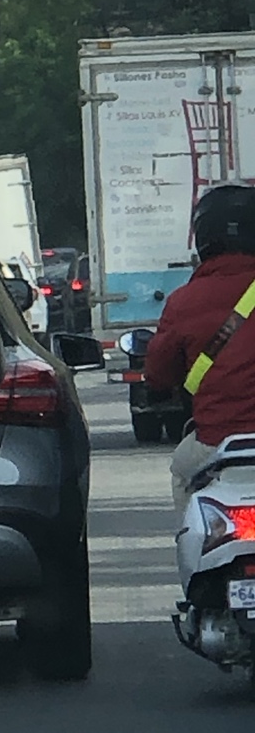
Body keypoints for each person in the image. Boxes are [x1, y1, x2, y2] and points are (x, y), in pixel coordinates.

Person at [145, 182, 255, 514]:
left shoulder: (184, 301)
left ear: (204, 238)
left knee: (182, 472)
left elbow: (159, 374)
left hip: (217, 443)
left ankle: (192, 543)